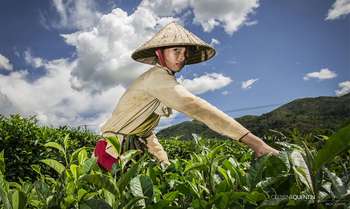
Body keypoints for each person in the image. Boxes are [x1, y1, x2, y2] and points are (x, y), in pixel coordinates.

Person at [94, 22, 279, 171]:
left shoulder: (162, 78)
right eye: (176, 51)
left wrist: (162, 160)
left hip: (134, 148)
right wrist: (256, 144)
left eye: (184, 53)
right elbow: (196, 107)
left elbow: (145, 131)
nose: (182, 57)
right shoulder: (156, 78)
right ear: (160, 53)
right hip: (113, 149)